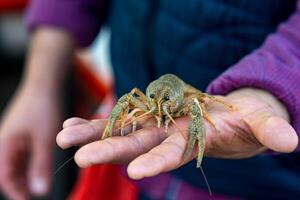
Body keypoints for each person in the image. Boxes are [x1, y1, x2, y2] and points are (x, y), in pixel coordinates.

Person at [0, 0, 300, 199]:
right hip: (133, 177)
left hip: (254, 183)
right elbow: (130, 100)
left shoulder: (186, 102)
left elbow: (199, 104)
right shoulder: (145, 102)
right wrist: (40, 83)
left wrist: (268, 89)